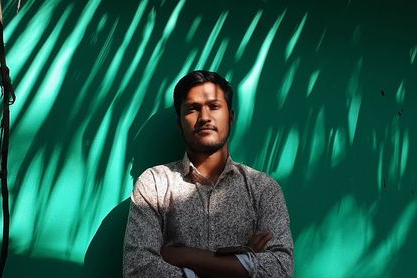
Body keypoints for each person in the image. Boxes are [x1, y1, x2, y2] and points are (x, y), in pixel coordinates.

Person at [123, 70, 294, 277]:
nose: (204, 117)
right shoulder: (154, 183)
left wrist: (186, 257)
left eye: (214, 106)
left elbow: (281, 269)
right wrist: (243, 262)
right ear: (179, 124)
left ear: (230, 117)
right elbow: (138, 269)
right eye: (193, 109)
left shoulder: (263, 188)